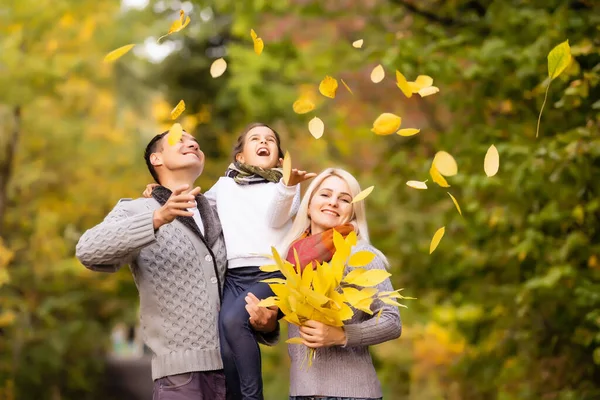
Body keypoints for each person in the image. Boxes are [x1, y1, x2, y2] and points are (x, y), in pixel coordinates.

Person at [142, 122, 315, 400]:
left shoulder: (286, 189)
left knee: (235, 321)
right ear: (240, 157)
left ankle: (251, 396)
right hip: (235, 275)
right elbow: (196, 204)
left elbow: (276, 217)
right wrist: (160, 190)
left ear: (280, 160)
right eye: (256, 139)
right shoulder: (224, 187)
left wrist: (288, 186)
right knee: (225, 341)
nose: (264, 142)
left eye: (271, 140)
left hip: (271, 272)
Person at [76, 130, 228, 400]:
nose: (192, 142)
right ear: (156, 158)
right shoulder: (136, 210)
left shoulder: (220, 211)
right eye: (180, 140)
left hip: (236, 371)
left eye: (195, 141)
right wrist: (157, 218)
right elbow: (88, 250)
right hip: (180, 378)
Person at [246, 168, 402, 400]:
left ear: (352, 211)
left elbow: (392, 320)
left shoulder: (361, 254)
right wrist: (266, 324)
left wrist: (341, 335)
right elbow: (290, 320)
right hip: (301, 393)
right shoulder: (292, 256)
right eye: (325, 194)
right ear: (308, 205)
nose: (333, 203)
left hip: (352, 395)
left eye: (344, 199)